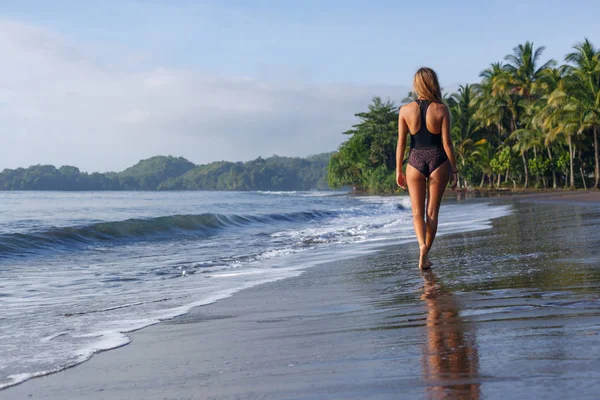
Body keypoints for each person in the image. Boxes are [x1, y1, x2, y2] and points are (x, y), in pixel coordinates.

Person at [396, 67, 458, 270]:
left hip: (414, 160)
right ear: (433, 83)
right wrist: (455, 170)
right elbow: (447, 143)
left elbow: (401, 143)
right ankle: (426, 253)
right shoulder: (442, 109)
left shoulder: (405, 110)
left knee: (417, 213)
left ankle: (421, 246)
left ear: (417, 84)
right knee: (432, 212)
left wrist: (398, 170)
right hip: (438, 159)